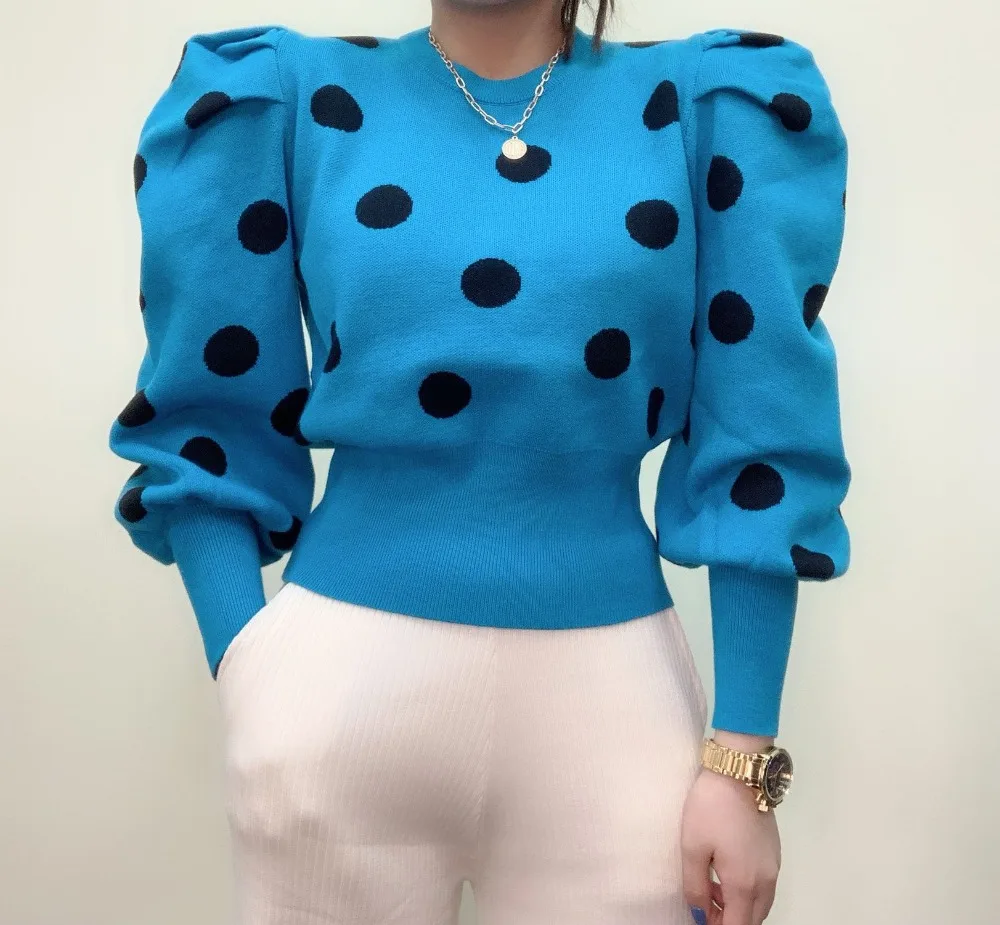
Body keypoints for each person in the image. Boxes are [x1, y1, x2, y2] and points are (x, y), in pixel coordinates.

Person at [109, 0, 851, 922]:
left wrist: (743, 758)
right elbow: (206, 402)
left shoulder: (704, 106)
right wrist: (246, 664)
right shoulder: (287, 98)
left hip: (612, 713)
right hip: (335, 700)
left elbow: (762, 425)